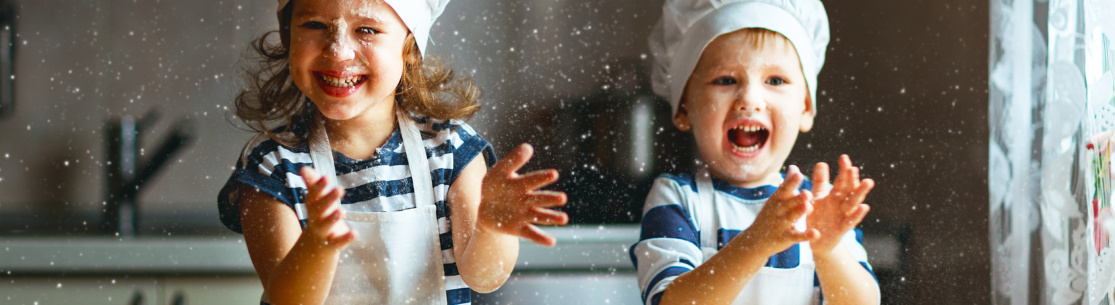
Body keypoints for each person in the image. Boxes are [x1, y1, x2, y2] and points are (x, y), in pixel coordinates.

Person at [216, 0, 569, 304]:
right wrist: (318, 245)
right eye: (314, 24)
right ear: (288, 37)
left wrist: (491, 228)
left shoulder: (450, 150)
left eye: (367, 29)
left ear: (410, 49)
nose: (338, 50)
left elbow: (484, 278)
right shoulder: (272, 167)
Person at [630, 0, 881, 304]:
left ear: (805, 107)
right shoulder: (679, 199)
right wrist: (756, 242)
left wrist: (828, 250)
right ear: (684, 107)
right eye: (726, 80)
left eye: (775, 80)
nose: (749, 98)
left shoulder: (818, 204)